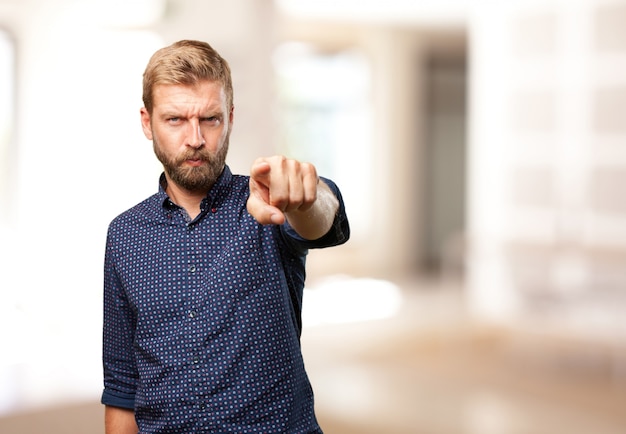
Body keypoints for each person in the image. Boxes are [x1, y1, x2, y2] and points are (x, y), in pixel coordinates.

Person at [101, 39, 350, 434]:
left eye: (210, 119)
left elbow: (323, 221)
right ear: (147, 123)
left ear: (230, 117)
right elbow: (122, 386)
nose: (195, 138)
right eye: (175, 120)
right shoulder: (125, 234)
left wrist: (307, 198)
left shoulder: (267, 204)